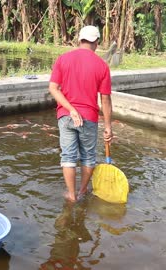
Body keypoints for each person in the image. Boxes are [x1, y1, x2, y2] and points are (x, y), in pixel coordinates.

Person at [48, 25, 113, 202]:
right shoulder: (102, 66)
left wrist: (70, 109)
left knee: (68, 156)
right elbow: (105, 99)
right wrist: (108, 127)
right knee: (88, 157)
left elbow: (53, 88)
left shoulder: (63, 59)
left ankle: (71, 195)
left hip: (66, 116)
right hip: (89, 118)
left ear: (79, 40)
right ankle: (83, 191)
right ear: (97, 43)